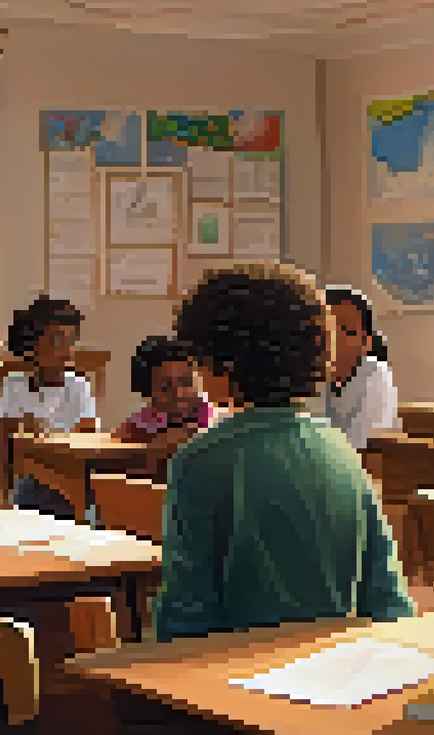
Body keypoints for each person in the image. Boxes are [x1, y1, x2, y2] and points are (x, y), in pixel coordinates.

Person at [152, 263, 415, 642]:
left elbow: (187, 607)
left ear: (220, 366)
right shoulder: (339, 449)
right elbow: (387, 594)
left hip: (237, 680)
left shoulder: (200, 460)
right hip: (337, 671)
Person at [0, 295, 97, 520]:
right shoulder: (15, 387)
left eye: (70, 340)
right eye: (55, 341)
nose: (66, 350)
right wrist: (6, 494)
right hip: (34, 482)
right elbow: (9, 450)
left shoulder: (79, 387)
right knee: (30, 491)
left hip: (74, 478)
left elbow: (87, 443)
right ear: (32, 347)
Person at [307, 286, 399, 451]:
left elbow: (364, 446)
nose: (334, 337)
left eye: (345, 329)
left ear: (366, 343)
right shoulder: (315, 376)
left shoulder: (377, 376)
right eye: (325, 328)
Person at [112, 335, 218, 475]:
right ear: (147, 392)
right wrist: (155, 451)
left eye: (186, 383)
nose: (179, 394)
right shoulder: (137, 429)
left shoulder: (216, 423)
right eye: (165, 387)